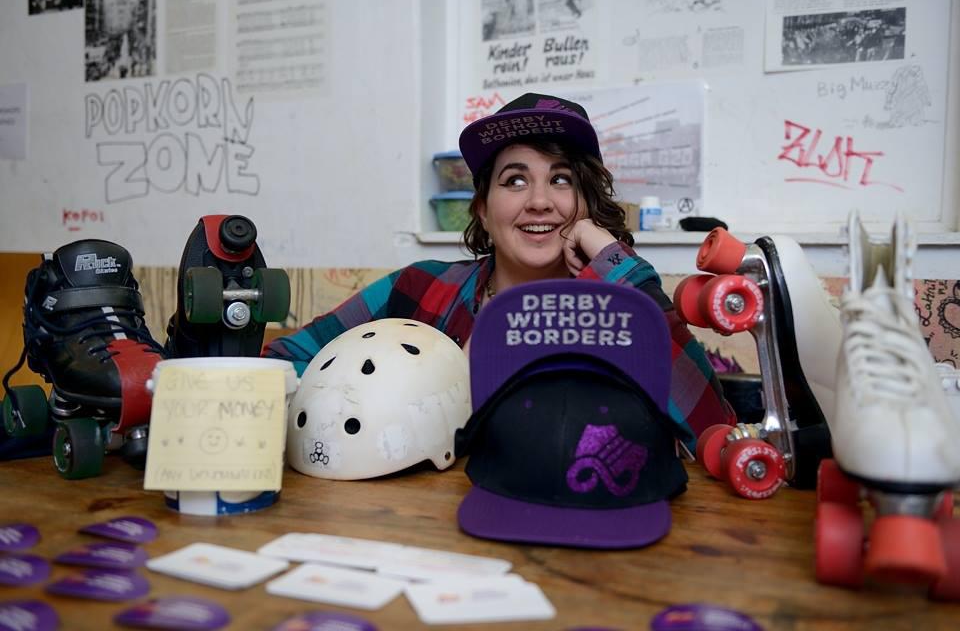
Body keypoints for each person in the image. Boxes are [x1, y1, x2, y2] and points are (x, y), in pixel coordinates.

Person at [263, 93, 735, 448]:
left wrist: (621, 269)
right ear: (484, 210)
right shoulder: (418, 288)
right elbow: (282, 362)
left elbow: (713, 430)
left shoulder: (620, 309)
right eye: (514, 180)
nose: (539, 201)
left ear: (587, 205)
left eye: (561, 179)